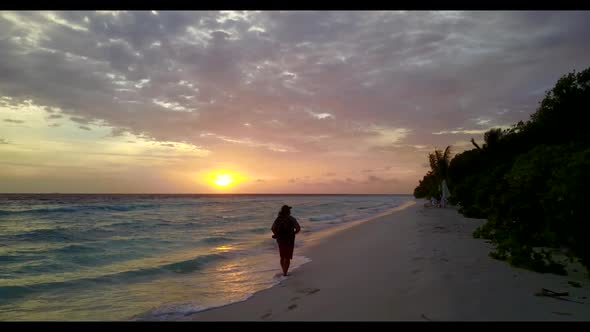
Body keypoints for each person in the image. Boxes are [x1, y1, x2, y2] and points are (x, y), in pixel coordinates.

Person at [271, 205, 301, 276]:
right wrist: (293, 234)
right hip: (289, 240)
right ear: (288, 211)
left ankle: (283, 270)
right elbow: (298, 228)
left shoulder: (278, 219)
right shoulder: (291, 219)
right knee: (287, 257)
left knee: (282, 256)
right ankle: (285, 273)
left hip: (280, 240)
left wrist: (277, 234)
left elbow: (272, 228)